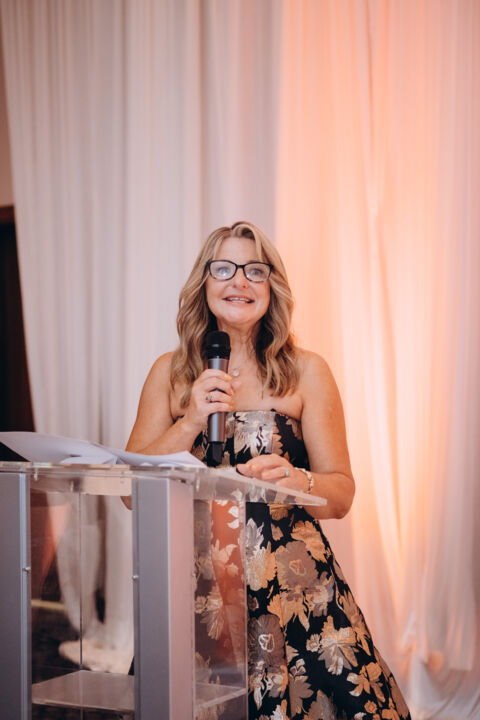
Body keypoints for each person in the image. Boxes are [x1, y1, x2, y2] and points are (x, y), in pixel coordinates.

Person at [127, 221, 411, 720]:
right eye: (224, 269)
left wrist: (298, 480)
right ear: (204, 283)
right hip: (200, 590)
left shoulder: (307, 371)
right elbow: (132, 491)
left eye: (254, 270)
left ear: (271, 287)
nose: (239, 281)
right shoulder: (170, 374)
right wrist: (190, 420)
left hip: (297, 591)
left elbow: (342, 495)